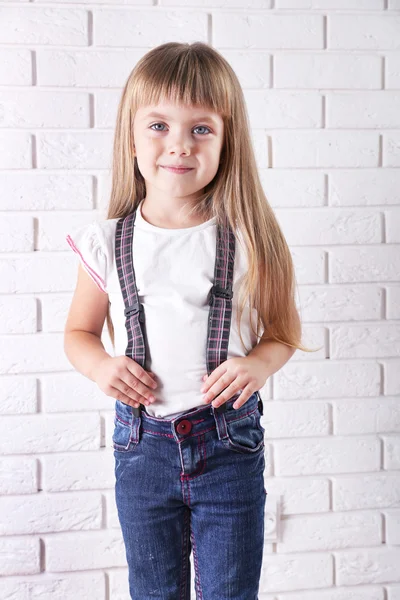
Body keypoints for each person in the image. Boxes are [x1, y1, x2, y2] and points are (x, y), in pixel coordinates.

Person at [64, 41, 314, 600]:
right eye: (159, 125)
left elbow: (283, 332)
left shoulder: (251, 240)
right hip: (141, 450)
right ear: (131, 138)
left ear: (228, 143)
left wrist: (257, 363)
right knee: (154, 591)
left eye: (201, 129)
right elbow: (78, 333)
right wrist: (101, 366)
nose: (178, 144)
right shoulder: (106, 243)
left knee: (230, 591)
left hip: (229, 447)